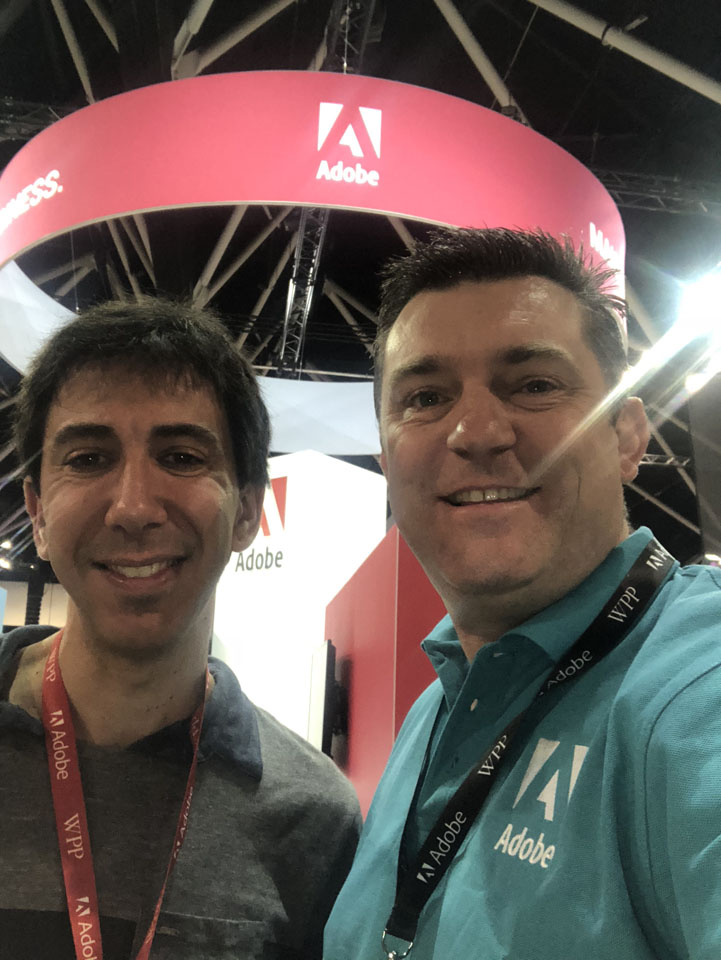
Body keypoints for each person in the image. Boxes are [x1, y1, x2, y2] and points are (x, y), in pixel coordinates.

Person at [323, 228, 721, 960]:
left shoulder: (696, 684)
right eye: (425, 397)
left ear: (627, 436)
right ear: (387, 461)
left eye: (534, 384)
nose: (475, 432)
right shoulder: (434, 709)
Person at [0, 298, 360, 960]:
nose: (133, 507)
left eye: (182, 456)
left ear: (247, 511)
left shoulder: (313, 818)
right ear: (38, 513)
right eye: (88, 458)